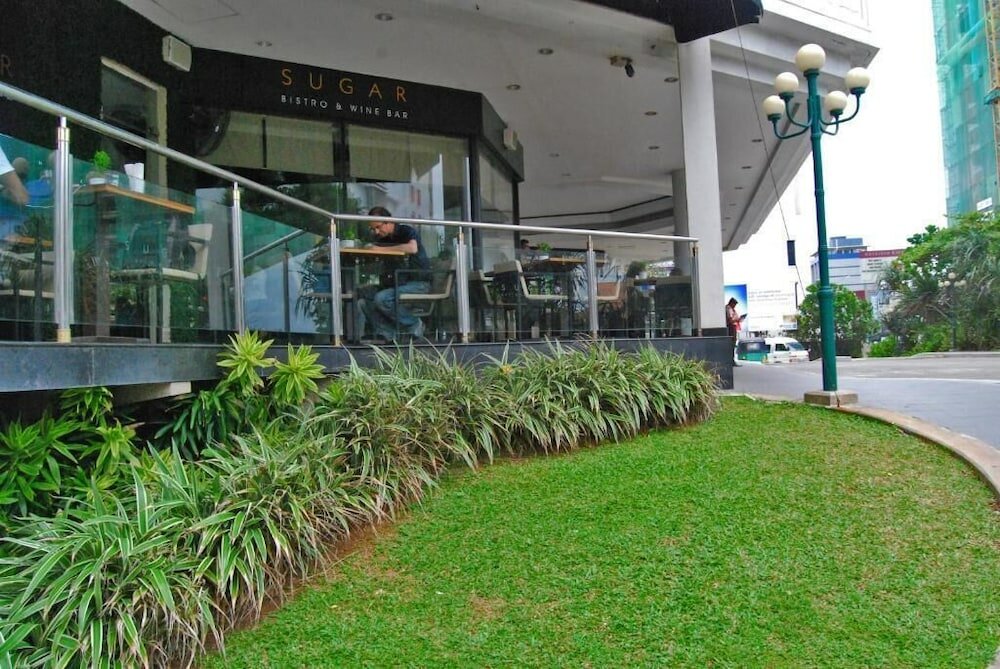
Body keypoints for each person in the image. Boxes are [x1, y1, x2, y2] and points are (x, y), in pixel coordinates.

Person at [359, 206, 430, 341]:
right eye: (373, 229)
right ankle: (387, 333)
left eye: (378, 227)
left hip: (418, 283)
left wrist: (380, 250)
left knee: (381, 299)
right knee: (363, 300)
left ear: (388, 221)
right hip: (396, 283)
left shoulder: (405, 231)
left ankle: (414, 323)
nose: (376, 231)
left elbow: (412, 248)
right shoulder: (383, 239)